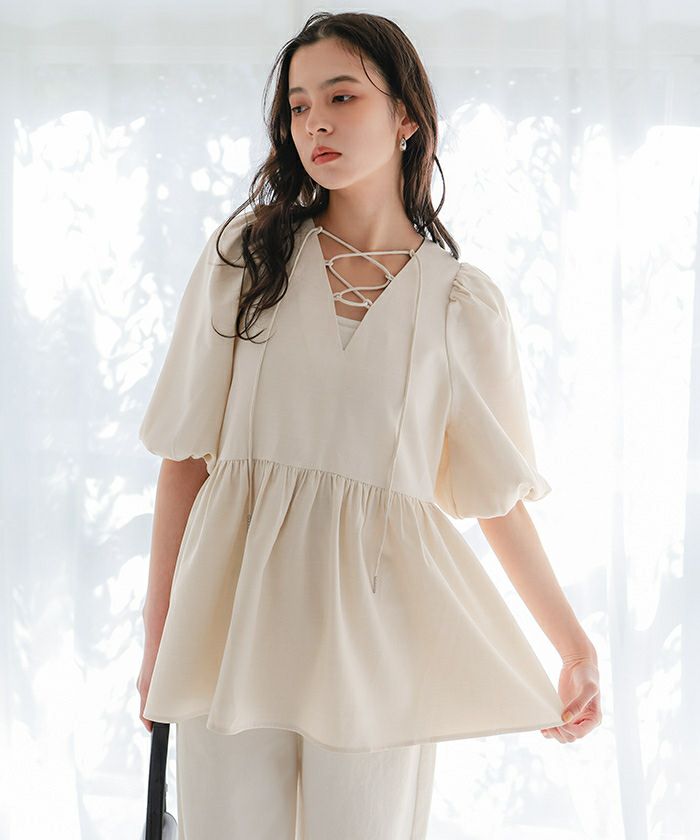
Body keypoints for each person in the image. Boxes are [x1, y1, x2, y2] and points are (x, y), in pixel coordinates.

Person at [135, 10, 602, 839]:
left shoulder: (460, 304)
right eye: (298, 106)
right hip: (231, 627)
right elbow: (186, 459)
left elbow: (493, 498)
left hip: (377, 643)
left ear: (405, 116)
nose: (314, 121)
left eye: (341, 96)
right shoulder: (248, 259)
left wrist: (573, 646)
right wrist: (157, 639)